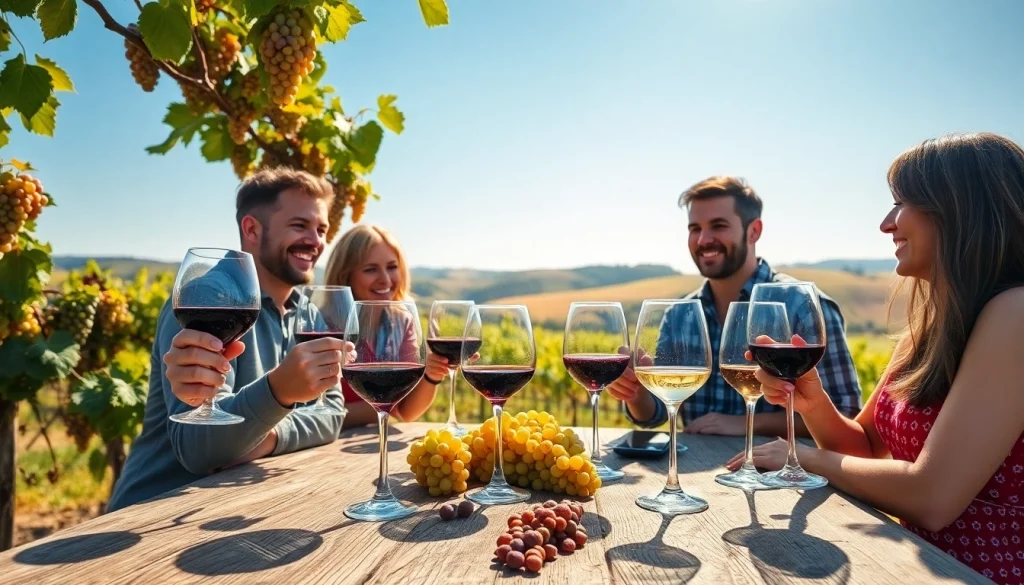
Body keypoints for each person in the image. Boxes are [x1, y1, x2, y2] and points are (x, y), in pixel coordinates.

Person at [727, 132, 1024, 585]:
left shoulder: (1016, 313)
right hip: (916, 569)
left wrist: (802, 457)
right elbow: (864, 450)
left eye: (903, 202)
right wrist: (812, 404)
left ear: (963, 210)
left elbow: (932, 497)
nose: (887, 223)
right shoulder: (928, 331)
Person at [108, 168, 352, 512]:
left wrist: (265, 437)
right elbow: (201, 449)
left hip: (232, 509)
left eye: (321, 229)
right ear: (252, 228)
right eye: (300, 226)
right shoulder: (207, 297)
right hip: (153, 513)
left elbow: (331, 414)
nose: (316, 241)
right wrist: (278, 392)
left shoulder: (307, 311)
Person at [608, 176, 862, 437]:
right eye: (694, 228)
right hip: (693, 470)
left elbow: (846, 413)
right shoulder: (680, 314)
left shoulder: (803, 304)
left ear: (754, 231)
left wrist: (747, 424)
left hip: (774, 475)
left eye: (718, 226)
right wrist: (635, 392)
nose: (703, 239)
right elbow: (656, 415)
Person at [323, 224, 447, 428]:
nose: (385, 279)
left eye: (392, 267)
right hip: (323, 450)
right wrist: (385, 407)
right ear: (345, 275)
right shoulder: (323, 327)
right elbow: (316, 415)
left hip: (371, 443)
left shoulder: (401, 322)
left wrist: (431, 376)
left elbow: (406, 412)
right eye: (370, 269)